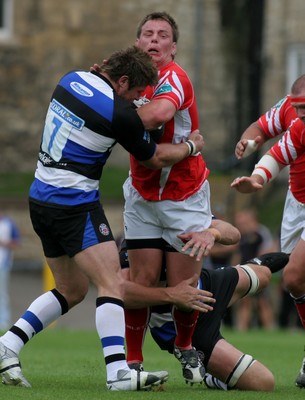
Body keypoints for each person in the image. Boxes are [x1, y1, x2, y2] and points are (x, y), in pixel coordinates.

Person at [0, 46, 206, 391]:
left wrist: (126, 99)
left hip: (40, 195)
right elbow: (155, 158)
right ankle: (118, 374)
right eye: (138, 93)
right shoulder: (119, 113)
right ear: (123, 81)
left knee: (71, 288)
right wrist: (192, 147)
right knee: (112, 282)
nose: (140, 100)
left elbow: (107, 99)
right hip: (73, 203)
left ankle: (8, 345)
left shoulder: (69, 79)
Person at [122, 12, 212, 385]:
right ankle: (132, 363)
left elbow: (157, 115)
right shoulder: (127, 82)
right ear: (138, 44)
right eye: (147, 34)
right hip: (142, 192)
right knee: (140, 279)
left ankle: (187, 347)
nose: (154, 40)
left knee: (183, 286)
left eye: (162, 35)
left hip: (184, 196)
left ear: (173, 47)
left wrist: (112, 111)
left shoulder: (173, 78)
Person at [120, 233, 290, 391]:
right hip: (176, 323)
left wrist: (212, 232)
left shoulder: (182, 210)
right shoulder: (139, 230)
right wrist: (172, 295)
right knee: (263, 382)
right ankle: (212, 378)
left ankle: (249, 267)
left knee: (264, 275)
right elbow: (121, 292)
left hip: (205, 287)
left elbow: (233, 233)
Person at [234, 73, 305, 387]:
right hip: (297, 204)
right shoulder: (296, 120)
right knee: (296, 282)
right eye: (299, 107)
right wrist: (257, 178)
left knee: (292, 275)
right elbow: (276, 153)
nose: (301, 113)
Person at [233, 209, 277, 331]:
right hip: (244, 270)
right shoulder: (242, 235)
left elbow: (269, 248)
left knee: (262, 302)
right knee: (245, 301)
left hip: (257, 271)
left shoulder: (261, 232)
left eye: (242, 220)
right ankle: (242, 329)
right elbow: (238, 253)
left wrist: (259, 265)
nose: (240, 223)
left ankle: (269, 328)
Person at [0, 213, 21, 331]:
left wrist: (4, 243)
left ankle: (4, 321)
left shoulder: (9, 223)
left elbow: (16, 242)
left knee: (2, 294)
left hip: (3, 264)